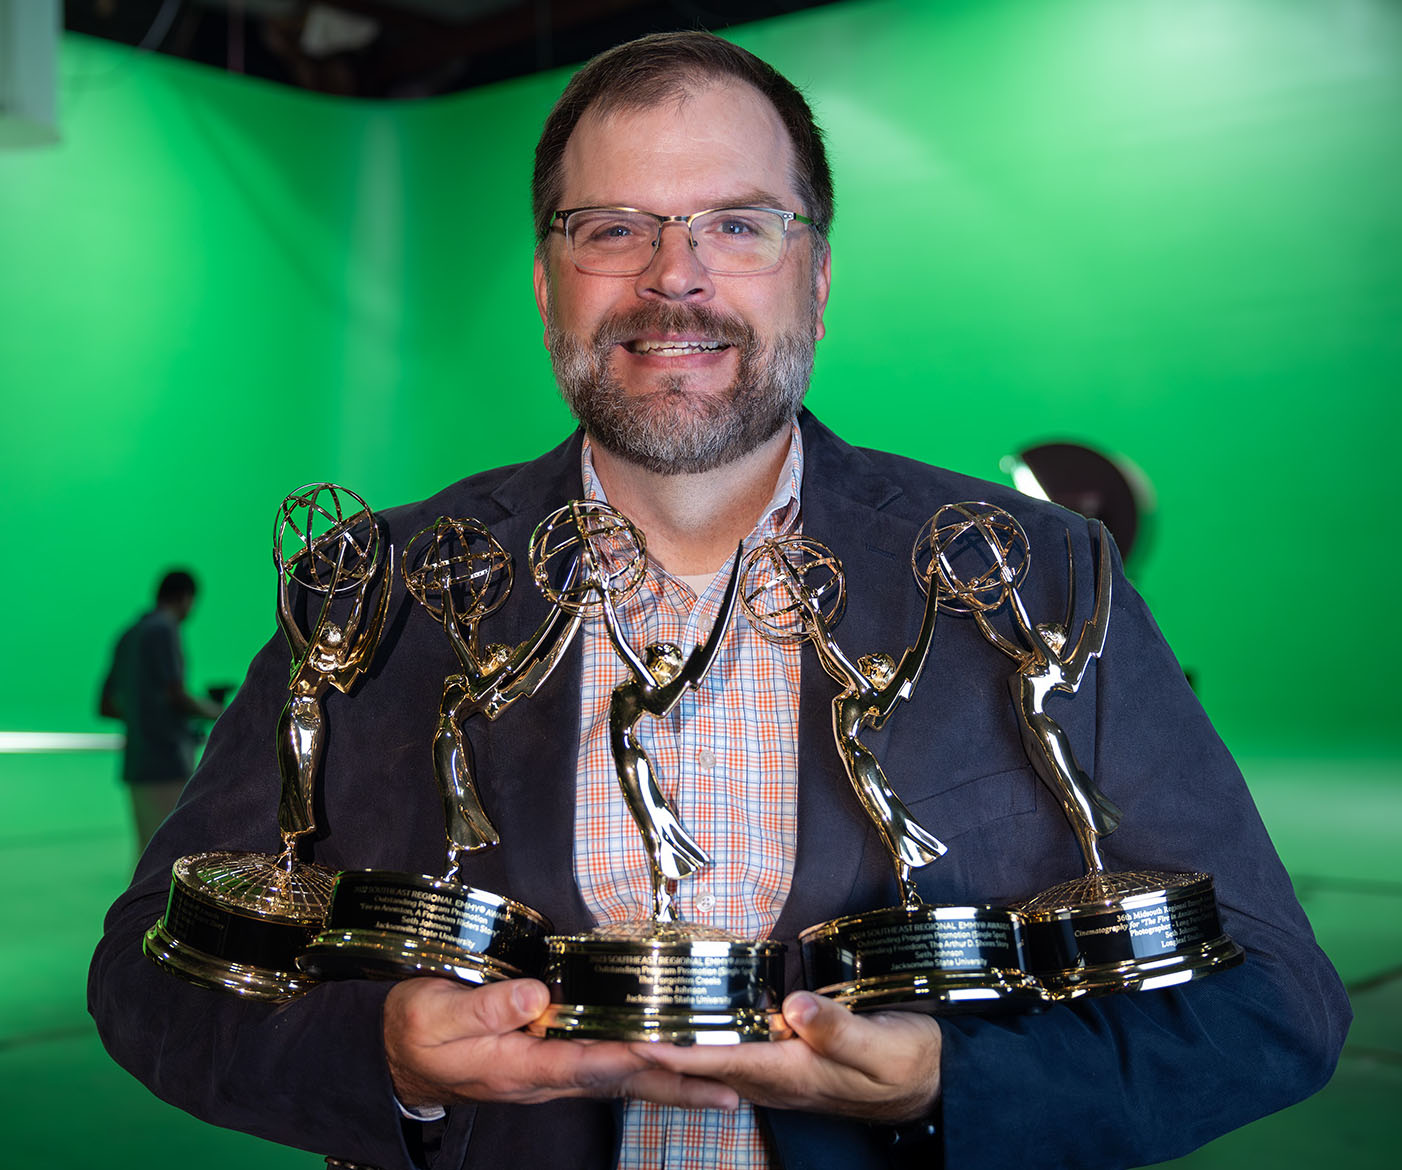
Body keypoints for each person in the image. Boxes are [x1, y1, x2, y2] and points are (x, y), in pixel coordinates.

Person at [89, 31, 1349, 1170]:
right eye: (612, 227)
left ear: (817, 279)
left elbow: (1274, 1001)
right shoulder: (374, 587)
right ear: (546, 284)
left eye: (738, 225)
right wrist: (389, 1065)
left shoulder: (1041, 569)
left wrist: (949, 1087)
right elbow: (147, 967)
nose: (672, 277)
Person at [99, 569, 223, 851]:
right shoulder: (164, 629)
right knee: (170, 854)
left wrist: (143, 714)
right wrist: (219, 712)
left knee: (146, 854)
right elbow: (176, 696)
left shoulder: (129, 635)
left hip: (138, 764)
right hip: (167, 761)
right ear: (186, 598)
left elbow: (105, 705)